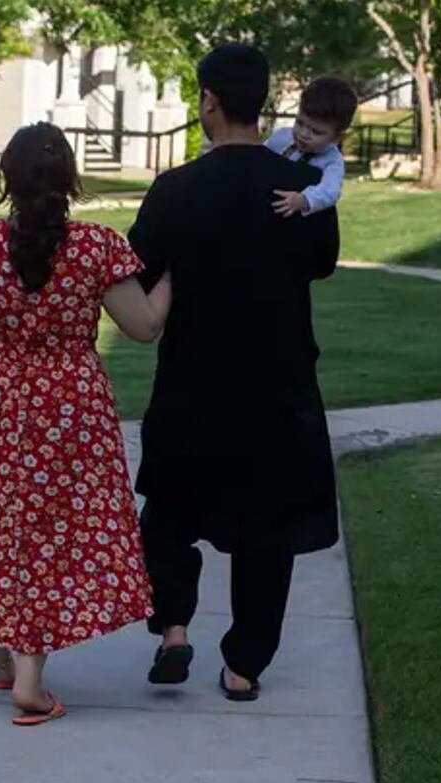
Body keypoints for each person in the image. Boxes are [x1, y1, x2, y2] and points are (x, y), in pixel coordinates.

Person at [0, 123, 174, 726]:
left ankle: (19, 672)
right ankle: (12, 669)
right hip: (70, 408)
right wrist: (171, 279)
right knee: (50, 531)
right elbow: (144, 326)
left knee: (1, 525)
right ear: (70, 180)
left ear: (5, 179)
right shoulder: (96, 247)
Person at [127, 43, 341, 702]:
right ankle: (245, 664)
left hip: (193, 386)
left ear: (209, 102)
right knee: (266, 534)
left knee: (168, 515)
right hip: (277, 389)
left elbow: (139, 275)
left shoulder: (176, 191)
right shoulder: (302, 193)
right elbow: (320, 265)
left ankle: (174, 630)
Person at [268, 75, 360, 219]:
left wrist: (304, 200)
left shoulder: (332, 161)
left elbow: (330, 191)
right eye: (300, 123)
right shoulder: (281, 137)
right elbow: (259, 158)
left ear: (336, 138)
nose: (303, 134)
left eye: (316, 132)